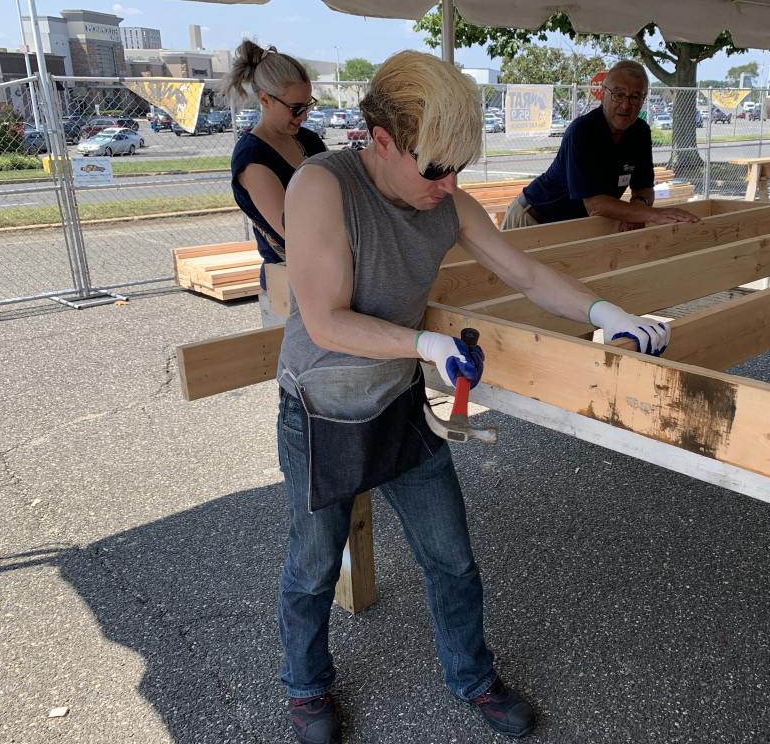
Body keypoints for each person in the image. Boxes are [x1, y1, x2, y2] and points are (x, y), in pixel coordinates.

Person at [277, 50, 674, 744]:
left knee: (452, 558)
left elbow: (524, 271)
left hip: (396, 399)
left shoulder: (445, 200)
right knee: (313, 567)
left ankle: (472, 676)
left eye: (460, 166)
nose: (449, 182)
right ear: (382, 140)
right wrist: (424, 345)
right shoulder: (321, 187)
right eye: (435, 167)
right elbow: (324, 321)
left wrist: (605, 312)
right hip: (321, 405)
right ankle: (306, 687)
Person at [501, 60, 699, 230]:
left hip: (575, 225)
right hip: (534, 218)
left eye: (635, 97)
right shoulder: (583, 131)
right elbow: (595, 205)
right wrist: (649, 215)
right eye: (618, 94)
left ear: (643, 100)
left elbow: (644, 187)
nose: (625, 105)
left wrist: (639, 208)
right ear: (603, 94)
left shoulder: (640, 132)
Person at [224, 40, 326, 326]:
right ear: (265, 99)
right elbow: (292, 231)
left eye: (307, 106)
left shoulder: (308, 140)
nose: (303, 116)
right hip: (289, 286)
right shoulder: (253, 157)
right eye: (295, 108)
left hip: (326, 275)